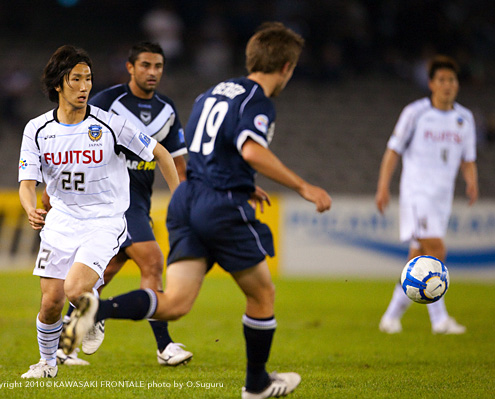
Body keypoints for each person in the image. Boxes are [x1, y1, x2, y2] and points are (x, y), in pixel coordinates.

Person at [60, 23, 332, 399]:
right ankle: (256, 385)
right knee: (263, 295)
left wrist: (238, 179)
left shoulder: (212, 93)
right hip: (216, 205)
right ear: (286, 66)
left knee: (174, 303)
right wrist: (304, 186)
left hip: (188, 201)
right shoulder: (257, 100)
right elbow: (251, 150)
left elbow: (197, 153)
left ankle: (98, 311)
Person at [18, 44, 179, 379]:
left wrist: (180, 198)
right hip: (61, 222)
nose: (85, 86)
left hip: (104, 221)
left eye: (88, 78)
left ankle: (96, 314)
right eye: (76, 79)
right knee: (50, 303)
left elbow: (162, 154)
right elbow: (27, 182)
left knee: (76, 290)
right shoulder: (36, 129)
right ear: (59, 84)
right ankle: (47, 363)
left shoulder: (110, 125)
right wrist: (30, 208)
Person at [55, 41, 191, 367]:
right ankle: (164, 346)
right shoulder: (107, 102)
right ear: (130, 67)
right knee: (153, 262)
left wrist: (185, 199)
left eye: (158, 66)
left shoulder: (167, 110)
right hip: (114, 201)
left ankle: (68, 339)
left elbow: (178, 162)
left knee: (105, 272)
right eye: (145, 65)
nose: (152, 72)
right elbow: (74, 142)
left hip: (140, 202)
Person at [376, 55, 478, 335]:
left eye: (452, 80)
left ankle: (390, 317)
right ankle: (440, 321)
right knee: (437, 250)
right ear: (432, 84)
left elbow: (468, 158)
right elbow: (393, 150)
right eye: (442, 80)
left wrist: (471, 181)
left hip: (442, 198)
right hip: (416, 194)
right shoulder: (415, 112)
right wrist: (383, 186)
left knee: (417, 257)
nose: (447, 85)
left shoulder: (464, 118)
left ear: (457, 84)